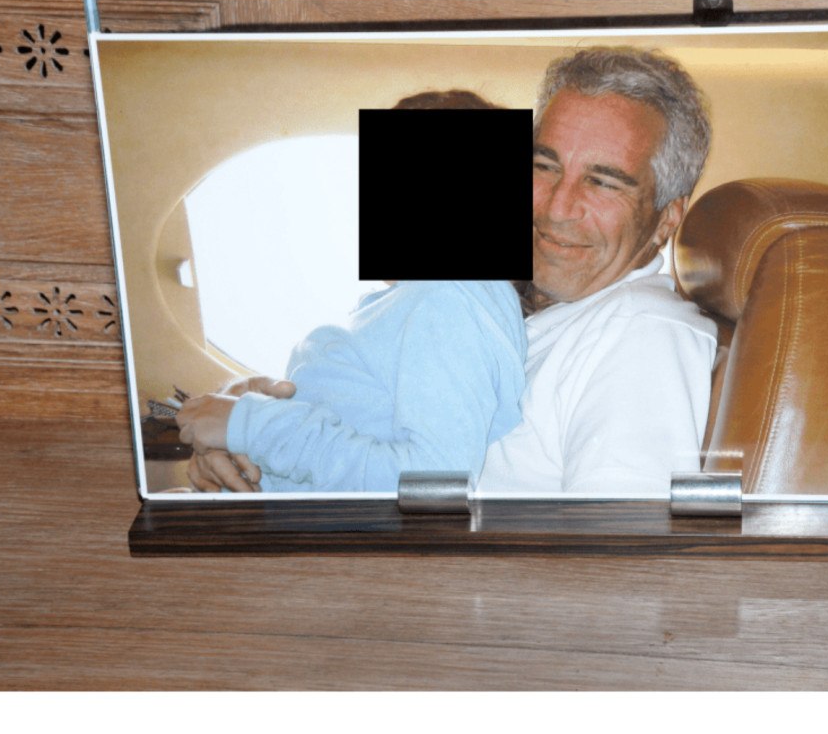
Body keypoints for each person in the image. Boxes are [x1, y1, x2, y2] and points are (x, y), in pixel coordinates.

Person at [178, 91, 527, 493]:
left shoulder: (446, 300)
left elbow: (436, 477)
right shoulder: (426, 303)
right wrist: (241, 419)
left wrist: (252, 425)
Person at [476, 47, 717, 495]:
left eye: (602, 182)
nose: (556, 208)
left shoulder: (641, 334)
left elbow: (619, 538)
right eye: (544, 166)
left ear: (666, 218)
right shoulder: (537, 315)